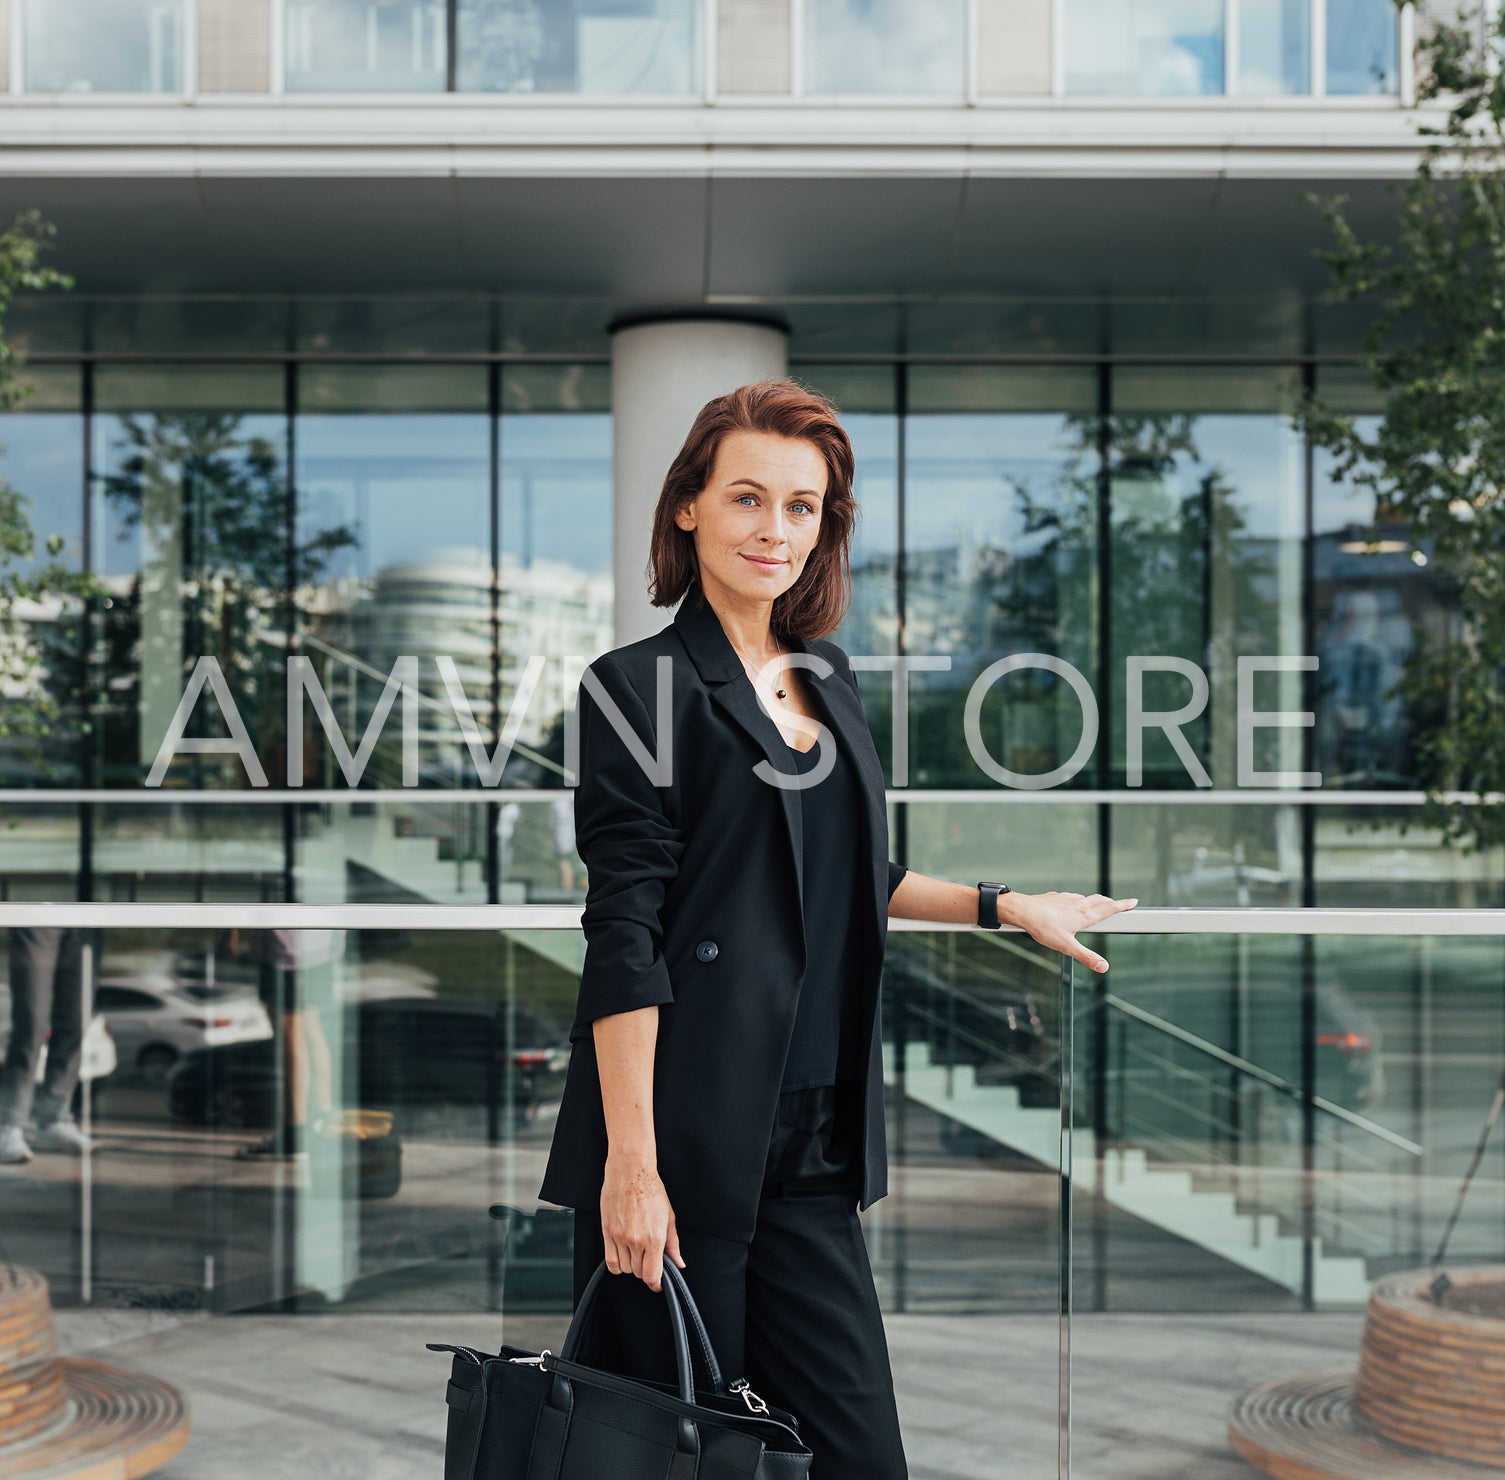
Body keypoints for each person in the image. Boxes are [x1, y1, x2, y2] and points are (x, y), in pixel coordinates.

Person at [537, 379, 1137, 1478]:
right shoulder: (636, 690)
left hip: (808, 1142)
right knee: (685, 1457)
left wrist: (1008, 907)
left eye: (802, 507)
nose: (775, 531)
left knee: (858, 1453)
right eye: (747, 499)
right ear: (688, 507)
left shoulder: (828, 678)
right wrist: (631, 1164)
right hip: (682, 1144)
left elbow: (856, 872)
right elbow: (624, 931)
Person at [229, 928, 344, 1161]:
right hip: (320, 946)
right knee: (310, 1026)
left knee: (290, 1030)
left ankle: (295, 1135)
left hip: (287, 951)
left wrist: (232, 933)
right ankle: (322, 1122)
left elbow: (261, 895)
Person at [0, 927, 103, 1163]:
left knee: (76, 1023)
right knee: (31, 1024)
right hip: (38, 911)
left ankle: (54, 1119)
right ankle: (9, 1124)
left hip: (85, 907)